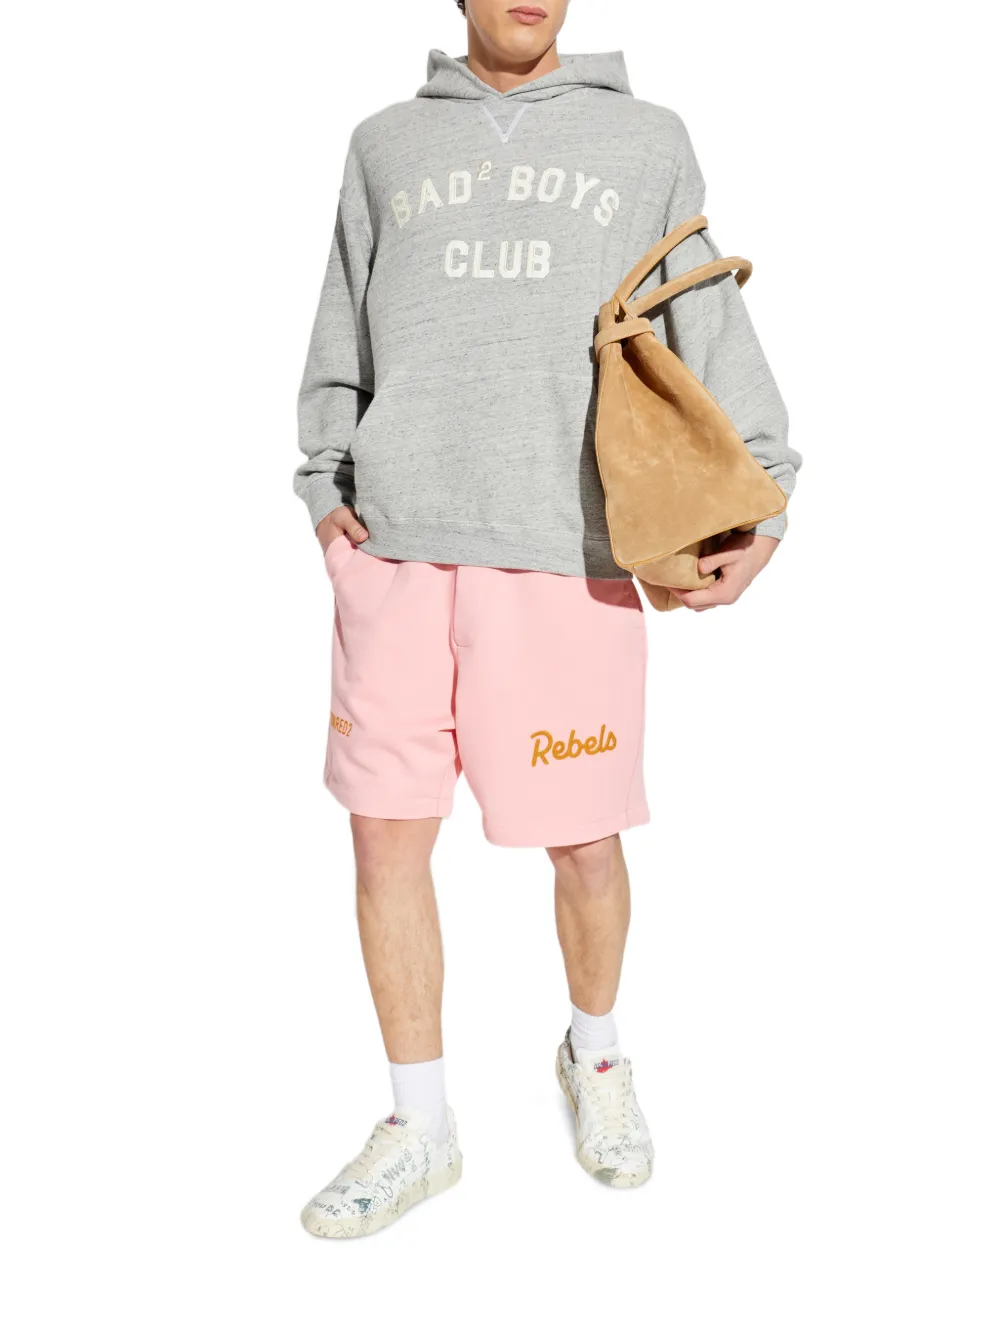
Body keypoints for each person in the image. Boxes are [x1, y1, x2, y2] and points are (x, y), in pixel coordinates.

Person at [295, 0, 801, 1239]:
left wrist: (767, 496)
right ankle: (420, 1122)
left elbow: (702, 311)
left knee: (583, 840)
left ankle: (597, 1054)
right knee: (384, 843)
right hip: (397, 549)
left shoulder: (644, 139)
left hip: (564, 549)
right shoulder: (383, 142)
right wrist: (324, 487)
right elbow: (340, 324)